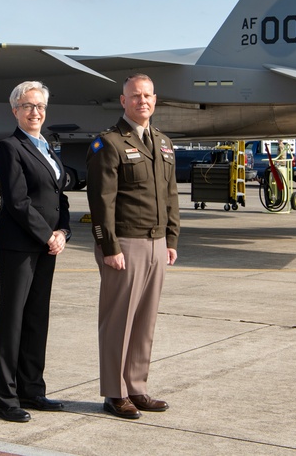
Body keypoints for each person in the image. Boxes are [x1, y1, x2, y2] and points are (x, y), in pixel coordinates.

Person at [85, 73, 180, 420]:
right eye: (135, 96)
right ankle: (114, 392)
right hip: (124, 243)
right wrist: (109, 246)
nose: (142, 101)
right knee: (118, 321)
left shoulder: (163, 142)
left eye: (148, 95)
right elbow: (101, 201)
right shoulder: (108, 143)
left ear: (155, 99)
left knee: (144, 322)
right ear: (123, 101)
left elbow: (170, 196)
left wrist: (171, 239)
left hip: (156, 244)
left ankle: (136, 386)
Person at [0, 81, 70, 422]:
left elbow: (60, 196)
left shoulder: (47, 147)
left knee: (37, 318)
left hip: (46, 246)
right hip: (19, 246)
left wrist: (63, 230)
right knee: (12, 320)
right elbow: (17, 201)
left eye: (40, 106)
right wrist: (46, 235)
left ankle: (32, 389)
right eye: (28, 106)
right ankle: (4, 397)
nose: (35, 112)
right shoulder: (10, 147)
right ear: (15, 111)